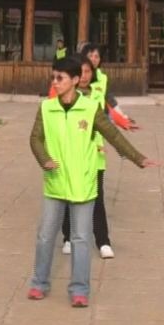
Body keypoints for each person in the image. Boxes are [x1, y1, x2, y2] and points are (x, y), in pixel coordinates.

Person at [29, 56, 155, 307]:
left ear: (75, 80)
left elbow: (112, 135)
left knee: (81, 238)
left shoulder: (89, 108)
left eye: (60, 78)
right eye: (53, 77)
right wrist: (44, 159)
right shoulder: (46, 108)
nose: (55, 82)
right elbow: (35, 139)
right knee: (45, 236)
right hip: (55, 182)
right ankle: (39, 283)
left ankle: (79, 290)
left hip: (83, 184)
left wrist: (138, 158)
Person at [54, 59, 134, 260]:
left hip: (94, 154)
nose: (85, 75)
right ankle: (68, 238)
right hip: (70, 154)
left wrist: (124, 125)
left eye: (88, 71)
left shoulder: (98, 94)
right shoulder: (65, 96)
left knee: (97, 197)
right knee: (68, 195)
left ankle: (103, 241)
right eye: (81, 71)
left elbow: (108, 121)